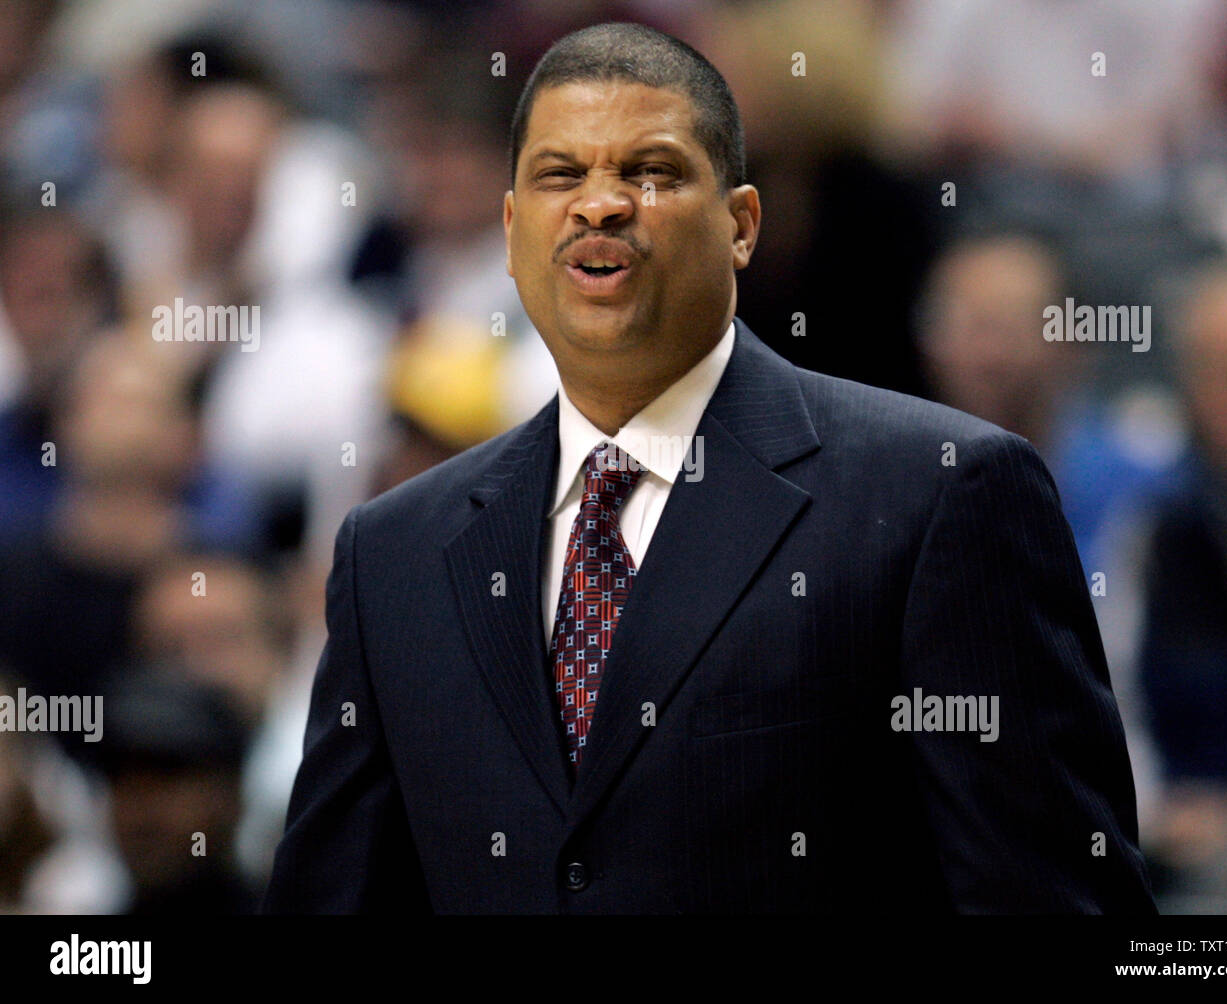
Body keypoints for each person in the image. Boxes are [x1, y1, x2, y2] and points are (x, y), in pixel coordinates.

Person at [265, 22, 1154, 914]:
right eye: (560, 175)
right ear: (510, 230)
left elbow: (1053, 899)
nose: (600, 206)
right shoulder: (393, 555)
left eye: (651, 172)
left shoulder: (939, 494)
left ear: (741, 226)